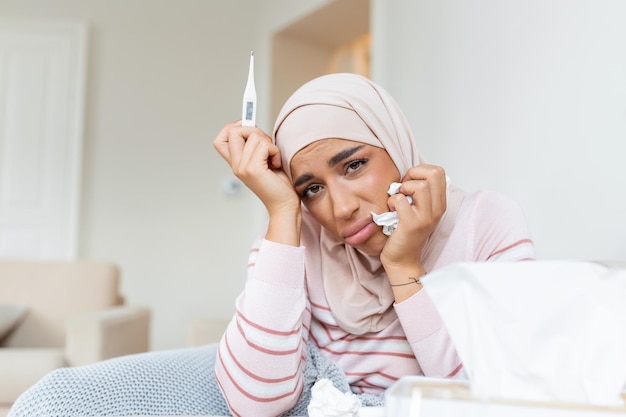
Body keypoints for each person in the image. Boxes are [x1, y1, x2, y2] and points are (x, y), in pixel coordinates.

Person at [212, 72, 535, 416]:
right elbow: (253, 403)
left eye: (353, 165)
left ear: (394, 143)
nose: (342, 207)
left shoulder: (484, 222)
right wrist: (281, 210)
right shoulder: (291, 237)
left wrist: (404, 268)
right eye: (312, 189)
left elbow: (498, 396)